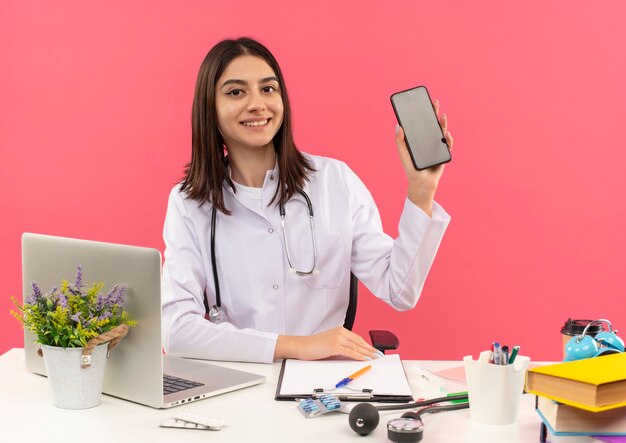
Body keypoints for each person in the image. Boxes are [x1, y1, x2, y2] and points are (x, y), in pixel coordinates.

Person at [161, 37, 453, 364]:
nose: (257, 104)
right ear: (209, 108)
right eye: (235, 92)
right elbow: (176, 331)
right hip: (239, 382)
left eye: (268, 89)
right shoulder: (189, 203)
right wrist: (296, 346)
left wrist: (421, 190)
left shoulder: (334, 182)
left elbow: (399, 290)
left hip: (324, 382)